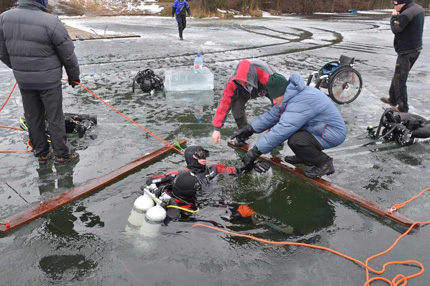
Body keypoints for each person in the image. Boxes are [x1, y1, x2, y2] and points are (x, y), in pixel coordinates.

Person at [0, 0, 81, 165]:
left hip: (24, 80)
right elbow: (67, 54)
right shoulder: (51, 21)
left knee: (33, 116)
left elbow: (2, 52)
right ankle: (63, 154)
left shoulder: (4, 18)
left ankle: (42, 153)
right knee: (54, 117)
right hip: (49, 81)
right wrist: (73, 76)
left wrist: (19, 67)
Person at [232, 73, 347, 179]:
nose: (274, 102)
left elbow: (282, 130)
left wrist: (255, 151)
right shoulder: (289, 95)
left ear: (281, 93)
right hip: (316, 128)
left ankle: (324, 163)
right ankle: (305, 157)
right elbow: (273, 115)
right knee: (295, 136)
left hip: (331, 133)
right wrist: (249, 129)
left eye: (275, 98)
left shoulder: (301, 101)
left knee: (296, 140)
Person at [146, 146, 269, 221]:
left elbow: (238, 171)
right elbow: (150, 180)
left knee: (246, 211)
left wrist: (252, 167)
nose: (204, 157)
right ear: (192, 158)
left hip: (217, 200)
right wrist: (168, 179)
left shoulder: (215, 168)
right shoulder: (181, 174)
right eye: (200, 155)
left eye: (204, 154)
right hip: (200, 205)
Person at [211, 59, 278, 145]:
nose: (243, 84)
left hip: (264, 87)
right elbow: (224, 104)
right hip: (243, 93)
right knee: (237, 107)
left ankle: (276, 135)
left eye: (245, 82)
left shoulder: (267, 76)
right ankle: (243, 134)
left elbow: (279, 102)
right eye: (240, 81)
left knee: (277, 106)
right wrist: (217, 129)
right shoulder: (233, 82)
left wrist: (273, 123)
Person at [380, 0, 425, 113]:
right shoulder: (417, 8)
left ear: (403, 4)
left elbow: (396, 29)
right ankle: (393, 99)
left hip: (407, 52)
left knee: (400, 79)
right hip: (415, 48)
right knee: (398, 75)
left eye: (396, 5)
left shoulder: (406, 13)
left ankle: (403, 108)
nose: (394, 7)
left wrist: (394, 17)